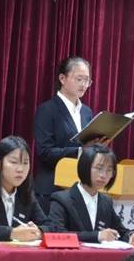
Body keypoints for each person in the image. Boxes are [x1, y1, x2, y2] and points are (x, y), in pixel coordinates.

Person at [34, 56, 103, 213]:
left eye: (87, 80)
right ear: (62, 79)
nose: (83, 84)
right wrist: (80, 151)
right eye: (79, 79)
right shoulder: (47, 109)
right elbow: (44, 152)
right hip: (52, 188)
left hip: (79, 189)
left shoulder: (86, 112)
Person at [47, 143, 134, 244]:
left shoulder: (106, 201)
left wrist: (132, 235)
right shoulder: (61, 199)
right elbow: (57, 234)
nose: (103, 175)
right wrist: (97, 236)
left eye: (109, 170)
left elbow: (121, 231)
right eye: (99, 168)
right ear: (85, 167)